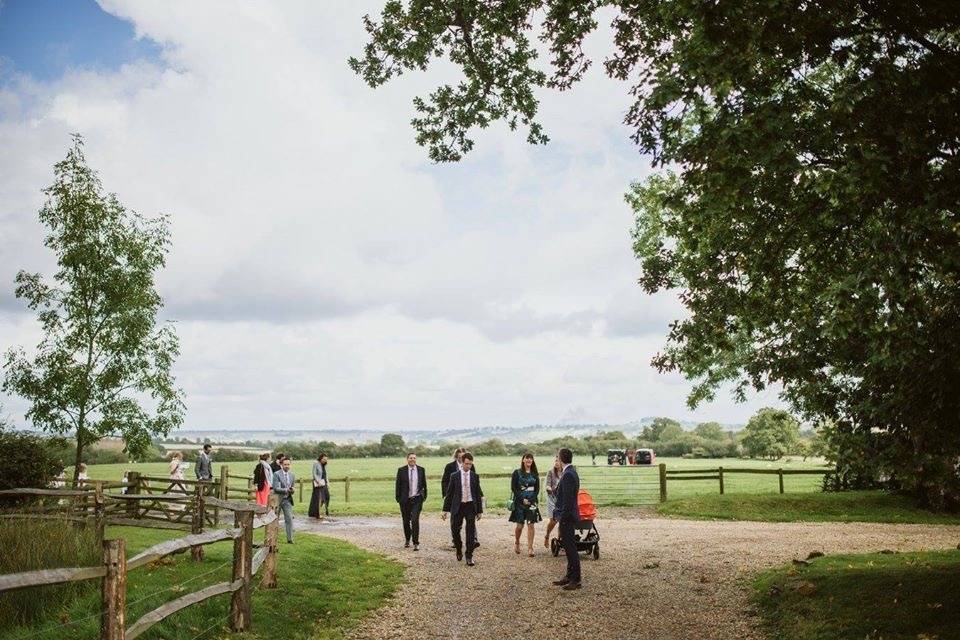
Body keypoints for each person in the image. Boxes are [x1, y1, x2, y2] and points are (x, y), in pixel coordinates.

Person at [442, 452, 483, 566]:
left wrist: (479, 511)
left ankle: (469, 556)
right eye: (466, 464)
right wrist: (445, 510)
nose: (468, 466)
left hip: (470, 506)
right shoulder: (454, 476)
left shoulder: (475, 476)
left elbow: (477, 494)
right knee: (455, 529)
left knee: (470, 532)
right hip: (458, 506)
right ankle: (459, 547)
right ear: (462, 463)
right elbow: (449, 494)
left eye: (470, 464)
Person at [552, 447, 582, 590]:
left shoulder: (568, 474)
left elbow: (568, 501)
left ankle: (576, 579)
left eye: (558, 457)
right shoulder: (570, 472)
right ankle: (569, 576)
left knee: (570, 549)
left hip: (567, 517)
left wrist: (562, 517)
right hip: (567, 516)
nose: (556, 460)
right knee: (569, 547)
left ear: (562, 458)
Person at [509, 453, 542, 557]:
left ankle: (530, 548)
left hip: (532, 502)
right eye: (527, 458)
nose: (529, 460)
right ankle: (517, 542)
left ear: (532, 461)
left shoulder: (535, 474)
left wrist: (531, 500)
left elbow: (537, 489)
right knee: (520, 526)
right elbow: (514, 488)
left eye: (531, 458)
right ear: (523, 460)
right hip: (519, 502)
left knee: (531, 525)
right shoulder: (516, 473)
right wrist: (522, 499)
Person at [395, 452, 427, 550]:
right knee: (406, 521)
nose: (412, 459)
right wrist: (398, 499)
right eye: (410, 458)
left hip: (417, 499)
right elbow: (398, 485)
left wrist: (424, 496)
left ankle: (416, 542)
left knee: (414, 520)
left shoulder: (421, 470)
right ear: (407, 459)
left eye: (414, 458)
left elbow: (424, 485)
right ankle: (407, 539)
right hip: (405, 500)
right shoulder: (401, 470)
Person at [272, 457, 296, 543]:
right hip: (277, 500)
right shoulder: (276, 474)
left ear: (290, 465)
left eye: (288, 464)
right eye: (285, 464)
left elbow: (292, 487)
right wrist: (286, 490)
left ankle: (290, 539)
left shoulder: (292, 475)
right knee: (274, 519)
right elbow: (275, 488)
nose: (287, 466)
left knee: (289, 519)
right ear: (281, 465)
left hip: (287, 500)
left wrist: (292, 490)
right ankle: (273, 539)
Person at [543, 457, 562, 548]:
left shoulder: (565, 473)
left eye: (558, 461)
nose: (556, 462)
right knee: (553, 521)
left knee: (562, 521)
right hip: (552, 498)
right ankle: (547, 536)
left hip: (562, 499)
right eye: (555, 460)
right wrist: (549, 488)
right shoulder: (551, 472)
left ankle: (560, 541)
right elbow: (547, 485)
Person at [308, 452, 330, 519]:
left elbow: (325, 474)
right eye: (324, 459)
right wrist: (318, 481)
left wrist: (328, 482)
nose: (325, 460)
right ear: (321, 458)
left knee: (327, 497)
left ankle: (319, 511)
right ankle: (316, 513)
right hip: (318, 484)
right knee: (318, 499)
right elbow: (314, 473)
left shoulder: (324, 465)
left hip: (324, 483)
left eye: (326, 459)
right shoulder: (316, 463)